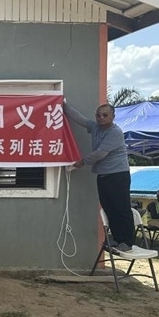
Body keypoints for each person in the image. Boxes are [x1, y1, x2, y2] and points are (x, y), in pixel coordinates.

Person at [64, 102, 134, 253]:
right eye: (98, 115)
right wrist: (63, 105)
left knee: (121, 208)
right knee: (109, 207)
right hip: (103, 175)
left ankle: (128, 241)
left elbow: (101, 153)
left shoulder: (115, 132)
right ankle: (117, 238)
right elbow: (80, 119)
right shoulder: (95, 127)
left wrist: (81, 162)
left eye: (105, 115)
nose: (101, 118)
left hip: (117, 175)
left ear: (113, 116)